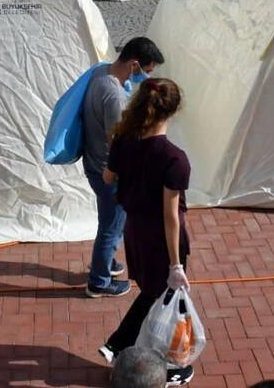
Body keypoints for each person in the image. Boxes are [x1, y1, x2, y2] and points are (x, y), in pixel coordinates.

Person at [99, 78, 194, 386]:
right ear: (174, 110)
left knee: (153, 293)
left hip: (134, 232)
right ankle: (151, 356)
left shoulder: (124, 140)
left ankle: (120, 344)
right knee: (165, 297)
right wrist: (175, 264)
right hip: (160, 240)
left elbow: (108, 175)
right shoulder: (174, 158)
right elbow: (170, 216)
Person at [82, 37, 165, 298]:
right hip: (109, 172)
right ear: (134, 65)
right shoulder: (115, 95)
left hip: (94, 162)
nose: (145, 77)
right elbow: (118, 143)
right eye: (146, 71)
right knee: (111, 225)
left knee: (110, 220)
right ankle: (99, 281)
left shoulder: (100, 72)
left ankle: (106, 262)